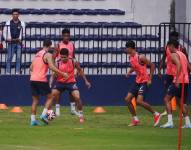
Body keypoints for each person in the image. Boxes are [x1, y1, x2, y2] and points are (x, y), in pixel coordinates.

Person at [53, 28, 91, 116]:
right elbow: (53, 57)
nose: (66, 37)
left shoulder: (72, 45)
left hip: (70, 71)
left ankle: (73, 110)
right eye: (65, 36)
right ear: (62, 36)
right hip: (60, 71)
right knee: (55, 94)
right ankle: (57, 111)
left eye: (68, 36)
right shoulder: (58, 45)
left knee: (73, 93)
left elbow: (73, 57)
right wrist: (54, 69)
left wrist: (75, 69)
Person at [30, 39, 68, 126]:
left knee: (35, 100)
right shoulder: (48, 54)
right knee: (50, 97)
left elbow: (31, 68)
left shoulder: (37, 54)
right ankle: (44, 115)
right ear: (50, 46)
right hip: (41, 79)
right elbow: (51, 67)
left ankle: (33, 121)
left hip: (33, 79)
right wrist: (62, 73)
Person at [124, 40, 161, 127]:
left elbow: (152, 65)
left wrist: (150, 79)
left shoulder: (140, 57)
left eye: (126, 48)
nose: (125, 50)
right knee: (127, 99)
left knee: (139, 101)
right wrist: (129, 72)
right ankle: (135, 120)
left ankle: (156, 114)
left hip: (144, 81)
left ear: (130, 48)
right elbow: (134, 66)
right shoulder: (130, 57)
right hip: (137, 81)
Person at [160, 40, 191, 128]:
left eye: (168, 46)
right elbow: (189, 67)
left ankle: (170, 122)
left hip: (178, 81)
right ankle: (188, 123)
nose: (168, 48)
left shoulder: (174, 54)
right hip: (185, 81)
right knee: (180, 102)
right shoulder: (183, 55)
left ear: (172, 46)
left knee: (166, 99)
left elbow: (179, 65)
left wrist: (177, 79)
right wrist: (184, 75)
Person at [51, 48, 85, 123]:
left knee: (77, 97)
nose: (62, 58)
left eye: (64, 57)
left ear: (68, 56)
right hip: (60, 83)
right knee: (51, 96)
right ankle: (49, 116)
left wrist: (86, 81)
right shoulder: (58, 62)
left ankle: (81, 115)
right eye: (61, 57)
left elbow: (80, 70)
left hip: (71, 82)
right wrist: (50, 83)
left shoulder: (73, 61)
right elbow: (53, 74)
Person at [3, 9, 25, 74]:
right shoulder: (8, 23)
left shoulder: (22, 23)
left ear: (18, 15)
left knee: (18, 58)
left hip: (18, 43)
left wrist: (21, 39)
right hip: (11, 42)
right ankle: (8, 72)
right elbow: (4, 32)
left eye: (16, 14)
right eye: (14, 14)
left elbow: (23, 33)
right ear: (12, 15)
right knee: (9, 58)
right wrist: (7, 38)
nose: (15, 15)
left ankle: (17, 72)